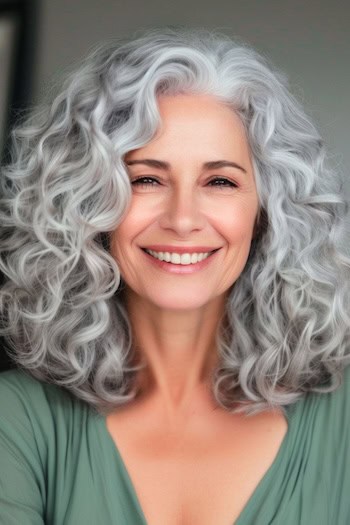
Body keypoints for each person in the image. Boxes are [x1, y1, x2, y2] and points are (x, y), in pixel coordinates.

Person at [0, 27, 349, 525]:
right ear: (87, 201)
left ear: (268, 210)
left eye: (220, 181)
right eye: (146, 179)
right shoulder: (16, 421)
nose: (183, 218)